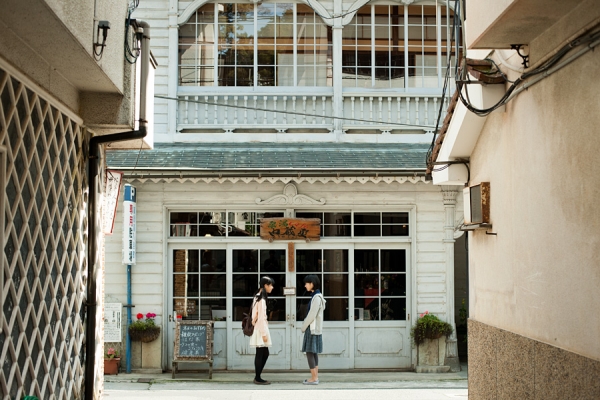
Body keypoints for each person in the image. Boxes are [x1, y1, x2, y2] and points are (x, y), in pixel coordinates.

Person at [301, 274, 326, 385]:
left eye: (307, 283)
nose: (305, 285)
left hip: (312, 329)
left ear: (312, 284)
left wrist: (303, 326)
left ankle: (314, 378)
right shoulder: (317, 296)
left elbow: (312, 315)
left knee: (310, 352)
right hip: (315, 329)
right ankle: (315, 377)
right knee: (313, 352)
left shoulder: (316, 298)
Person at [249, 276, 274, 385]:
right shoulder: (262, 299)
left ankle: (258, 376)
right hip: (261, 329)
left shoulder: (257, 296)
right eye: (270, 285)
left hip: (258, 328)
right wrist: (264, 333)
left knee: (264, 353)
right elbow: (262, 317)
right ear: (265, 285)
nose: (272, 287)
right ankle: (258, 377)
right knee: (261, 353)